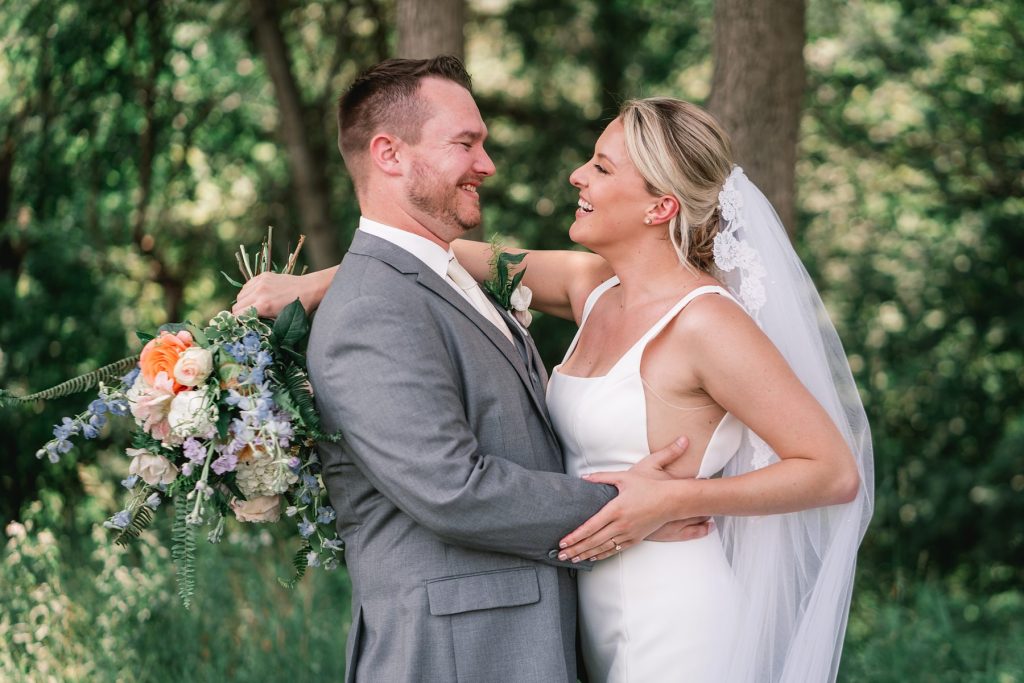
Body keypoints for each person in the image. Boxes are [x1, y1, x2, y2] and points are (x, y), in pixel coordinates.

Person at [238, 91, 873, 681]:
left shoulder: (706, 322)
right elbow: (436, 259)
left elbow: (832, 471)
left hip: (674, 610)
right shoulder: (589, 285)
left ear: (661, 206)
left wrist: (674, 500)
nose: (578, 176)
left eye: (601, 167)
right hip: (579, 607)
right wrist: (316, 285)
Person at [265, 57, 705, 683]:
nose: (487, 165)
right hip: (453, 652)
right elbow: (451, 489)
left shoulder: (444, 280)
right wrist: (628, 504)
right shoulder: (369, 309)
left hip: (521, 637)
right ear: (389, 153)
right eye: (466, 144)